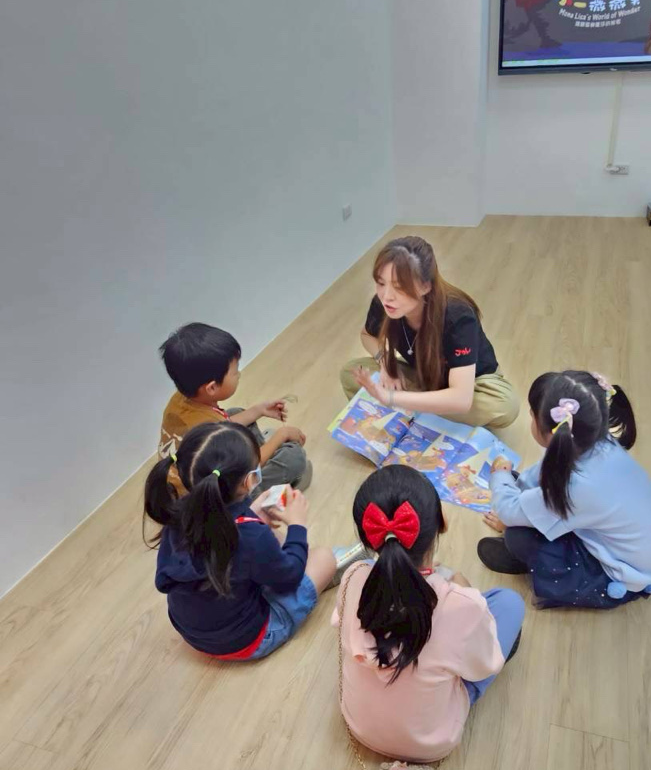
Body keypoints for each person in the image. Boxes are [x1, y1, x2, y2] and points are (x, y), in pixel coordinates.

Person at [333, 465, 524, 763]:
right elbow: (484, 666)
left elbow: (343, 624)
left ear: (368, 539)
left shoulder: (352, 576)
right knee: (510, 603)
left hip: (358, 726)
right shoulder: (462, 604)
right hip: (430, 743)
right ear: (442, 523)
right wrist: (467, 592)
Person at [144, 420, 336, 660]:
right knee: (325, 558)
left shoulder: (178, 513)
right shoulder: (251, 536)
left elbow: (221, 546)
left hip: (193, 632)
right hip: (246, 639)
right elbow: (289, 578)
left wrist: (253, 515)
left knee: (269, 539)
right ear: (248, 481)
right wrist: (298, 525)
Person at [477, 371, 651, 609]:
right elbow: (542, 473)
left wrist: (500, 475)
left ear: (550, 430)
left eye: (532, 416)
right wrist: (514, 488)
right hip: (625, 550)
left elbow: (508, 510)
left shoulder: (577, 485)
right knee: (519, 491)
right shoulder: (595, 442)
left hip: (614, 576)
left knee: (518, 535)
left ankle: (534, 564)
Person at [340, 236, 519, 429]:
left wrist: (391, 397)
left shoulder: (458, 316)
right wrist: (387, 365)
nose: (387, 296)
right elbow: (367, 335)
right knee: (352, 371)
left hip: (473, 384)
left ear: (426, 286)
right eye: (381, 283)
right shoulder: (382, 304)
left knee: (505, 405)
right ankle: (430, 408)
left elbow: (462, 399)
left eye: (399, 287)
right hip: (425, 377)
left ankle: (414, 407)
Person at [158, 322, 311, 492]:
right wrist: (282, 435)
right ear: (212, 388)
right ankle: (269, 486)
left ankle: (265, 449)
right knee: (294, 457)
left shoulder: (179, 400)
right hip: (214, 498)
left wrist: (258, 410)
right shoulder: (212, 434)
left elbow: (220, 424)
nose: (239, 375)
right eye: (235, 371)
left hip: (193, 476)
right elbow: (245, 468)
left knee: (236, 413)